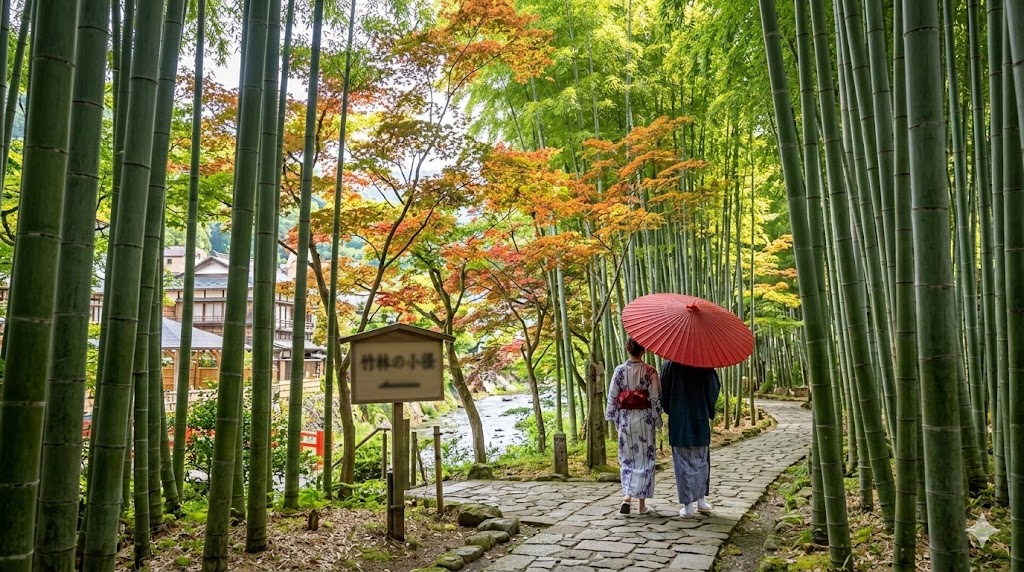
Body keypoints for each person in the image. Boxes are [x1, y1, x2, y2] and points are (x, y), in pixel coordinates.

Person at [605, 338, 663, 515]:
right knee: (645, 460)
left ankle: (626, 497)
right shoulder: (650, 371)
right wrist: (658, 418)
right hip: (644, 419)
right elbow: (655, 398)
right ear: (643, 350)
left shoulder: (619, 371)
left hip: (625, 419)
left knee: (627, 458)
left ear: (628, 350)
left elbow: (613, 396)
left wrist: (612, 416)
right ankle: (641, 506)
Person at [660, 360, 721, 518]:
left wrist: (670, 407)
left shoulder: (669, 366)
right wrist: (708, 408)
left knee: (682, 463)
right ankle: (701, 501)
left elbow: (663, 393)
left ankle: (688, 507)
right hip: (699, 417)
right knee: (701, 460)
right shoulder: (704, 363)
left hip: (679, 419)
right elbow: (713, 389)